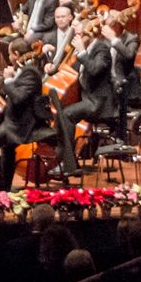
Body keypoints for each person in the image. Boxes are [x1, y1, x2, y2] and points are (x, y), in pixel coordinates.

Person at [49, 23, 114, 179]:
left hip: (99, 103)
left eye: (80, 34)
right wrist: (52, 68)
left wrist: (82, 52)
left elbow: (95, 69)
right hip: (86, 98)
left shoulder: (102, 49)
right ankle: (69, 162)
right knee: (61, 113)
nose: (77, 38)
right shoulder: (86, 49)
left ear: (90, 34)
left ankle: (68, 163)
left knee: (66, 115)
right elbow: (70, 68)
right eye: (76, 34)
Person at [0, 42, 46, 191]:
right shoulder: (23, 69)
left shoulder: (31, 73)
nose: (8, 57)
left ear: (16, 54)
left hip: (22, 124)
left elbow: (18, 98)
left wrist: (9, 79)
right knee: (7, 149)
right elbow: (8, 90)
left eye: (9, 54)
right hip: (14, 118)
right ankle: (5, 187)